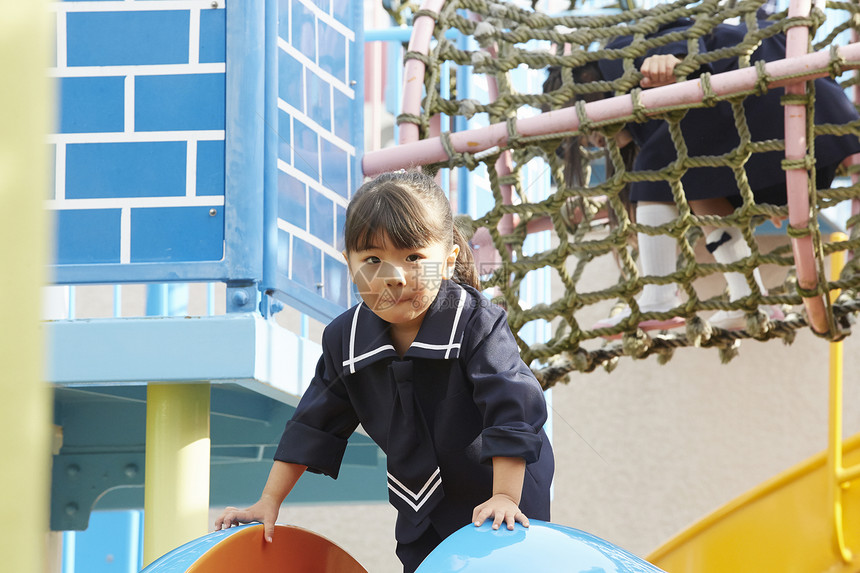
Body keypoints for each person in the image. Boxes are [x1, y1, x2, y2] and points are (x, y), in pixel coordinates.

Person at [214, 170, 554, 572]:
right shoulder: (347, 338)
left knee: (496, 562)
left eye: (414, 257)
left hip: (501, 479)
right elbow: (313, 423)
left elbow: (513, 409)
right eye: (373, 260)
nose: (393, 275)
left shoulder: (475, 322)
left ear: (448, 260)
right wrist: (268, 501)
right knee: (422, 562)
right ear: (350, 264)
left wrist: (506, 498)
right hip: (419, 497)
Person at [546, 17, 860, 330]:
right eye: (587, 144)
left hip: (783, 96)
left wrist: (673, 56)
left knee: (660, 165)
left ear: (586, 87)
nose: (596, 143)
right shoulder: (658, 124)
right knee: (692, 179)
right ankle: (749, 299)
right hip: (805, 125)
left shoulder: (615, 60)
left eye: (586, 136)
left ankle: (659, 298)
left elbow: (685, 35)